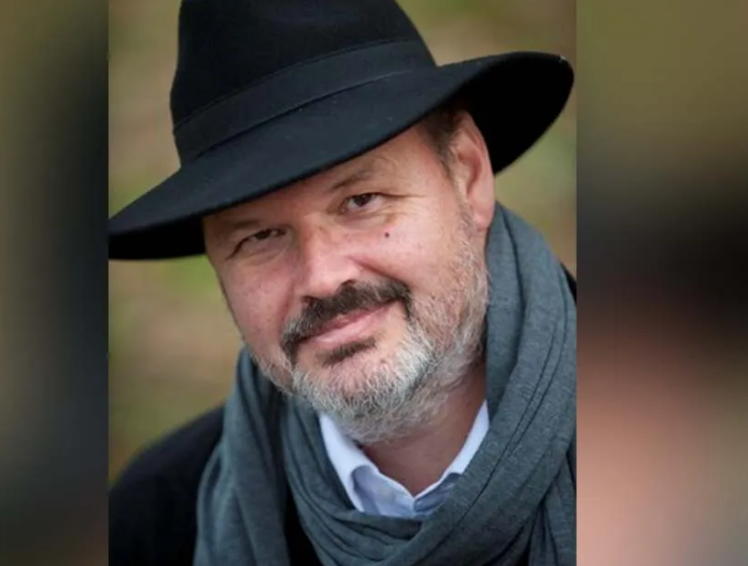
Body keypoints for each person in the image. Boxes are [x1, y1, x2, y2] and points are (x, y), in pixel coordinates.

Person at [108, 0, 576, 565]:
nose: (323, 277)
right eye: (260, 236)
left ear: (469, 177)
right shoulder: (160, 521)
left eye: (361, 201)